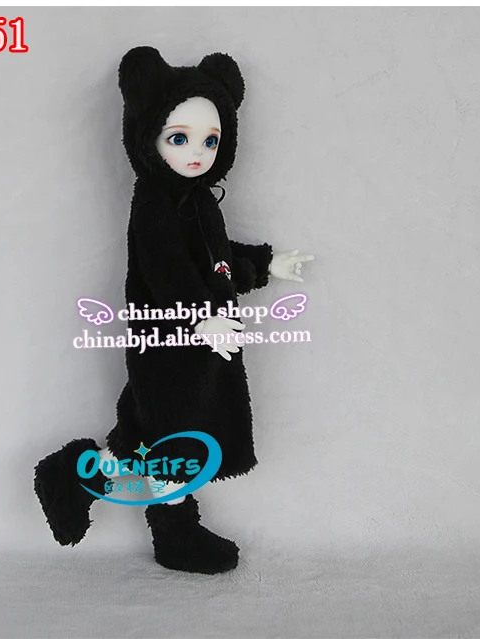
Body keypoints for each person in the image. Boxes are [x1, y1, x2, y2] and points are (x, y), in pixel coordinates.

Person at [35, 46, 313, 575]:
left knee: (151, 431)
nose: (197, 153)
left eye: (211, 140)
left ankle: (74, 476)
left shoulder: (199, 200)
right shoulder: (155, 202)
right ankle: (174, 532)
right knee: (175, 434)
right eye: (179, 138)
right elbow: (166, 269)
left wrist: (264, 263)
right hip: (169, 341)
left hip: (198, 342)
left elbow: (214, 260)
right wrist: (200, 316)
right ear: (148, 136)